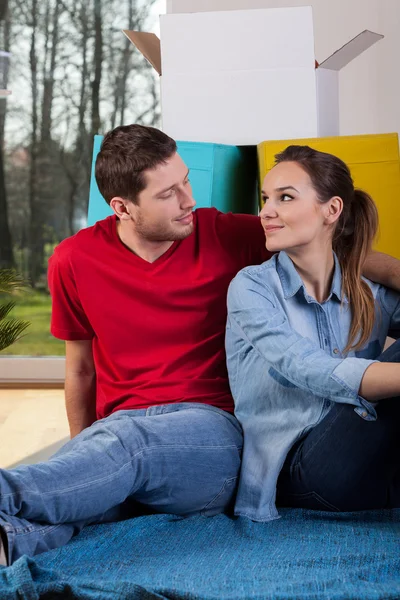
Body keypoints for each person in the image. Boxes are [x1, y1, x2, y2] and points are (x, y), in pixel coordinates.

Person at [0, 128, 399, 566]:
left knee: (132, 444)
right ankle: (10, 542)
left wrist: (396, 275)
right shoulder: (73, 259)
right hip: (117, 433)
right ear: (123, 208)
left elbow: (328, 244)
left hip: (211, 434)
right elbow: (79, 370)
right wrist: (81, 453)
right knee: (96, 488)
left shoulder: (224, 233)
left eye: (186, 180)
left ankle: (10, 491)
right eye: (169, 193)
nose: (189, 199)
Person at [226, 145, 400, 523]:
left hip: (369, 466)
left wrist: (392, 271)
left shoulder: (369, 290)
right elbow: (306, 367)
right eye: (265, 199)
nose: (265, 212)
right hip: (300, 472)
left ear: (332, 210)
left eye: (285, 198)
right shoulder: (252, 288)